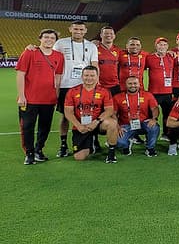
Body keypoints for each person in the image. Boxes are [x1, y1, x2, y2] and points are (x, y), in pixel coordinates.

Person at [16, 28, 64, 165]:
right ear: (40, 39)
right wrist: (21, 96)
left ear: (55, 41)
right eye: (46, 37)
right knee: (27, 127)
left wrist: (56, 95)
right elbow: (20, 74)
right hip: (29, 99)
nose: (49, 40)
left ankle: (38, 149)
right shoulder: (30, 52)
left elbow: (58, 77)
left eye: (52, 38)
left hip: (48, 99)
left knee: (45, 127)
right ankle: (29, 153)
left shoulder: (59, 56)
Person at [54, 20, 99, 158]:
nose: (78, 32)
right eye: (75, 29)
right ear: (70, 29)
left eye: (81, 29)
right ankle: (63, 144)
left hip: (85, 86)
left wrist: (95, 84)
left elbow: (95, 65)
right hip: (65, 85)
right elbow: (50, 56)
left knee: (92, 113)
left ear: (85, 31)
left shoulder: (91, 46)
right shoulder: (60, 43)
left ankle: (93, 141)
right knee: (66, 116)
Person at [63, 66, 118, 163]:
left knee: (112, 123)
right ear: (82, 76)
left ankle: (111, 153)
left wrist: (96, 122)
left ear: (97, 77)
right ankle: (92, 144)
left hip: (98, 124)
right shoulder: (72, 91)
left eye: (92, 75)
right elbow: (68, 112)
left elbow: (109, 110)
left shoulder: (104, 91)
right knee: (79, 157)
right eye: (86, 75)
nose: (89, 78)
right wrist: (78, 125)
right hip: (81, 126)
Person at [113, 76, 160, 157]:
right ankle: (126, 146)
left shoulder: (147, 95)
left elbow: (155, 109)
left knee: (154, 127)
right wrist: (117, 126)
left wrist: (154, 119)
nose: (132, 85)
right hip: (126, 125)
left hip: (144, 123)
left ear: (139, 84)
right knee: (118, 142)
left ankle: (150, 148)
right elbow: (113, 114)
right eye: (130, 84)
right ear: (125, 85)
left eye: (135, 83)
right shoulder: (117, 97)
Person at [145, 37, 175, 130]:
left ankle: (166, 134)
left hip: (168, 92)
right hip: (154, 92)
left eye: (165, 45)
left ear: (167, 46)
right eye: (160, 44)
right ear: (156, 46)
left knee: (167, 113)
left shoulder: (171, 56)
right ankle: (149, 134)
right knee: (151, 114)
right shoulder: (149, 58)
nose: (162, 46)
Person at [95, 26, 122, 95]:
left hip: (115, 85)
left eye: (111, 33)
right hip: (99, 85)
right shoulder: (94, 49)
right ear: (101, 35)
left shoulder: (118, 50)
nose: (108, 35)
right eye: (106, 33)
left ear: (114, 36)